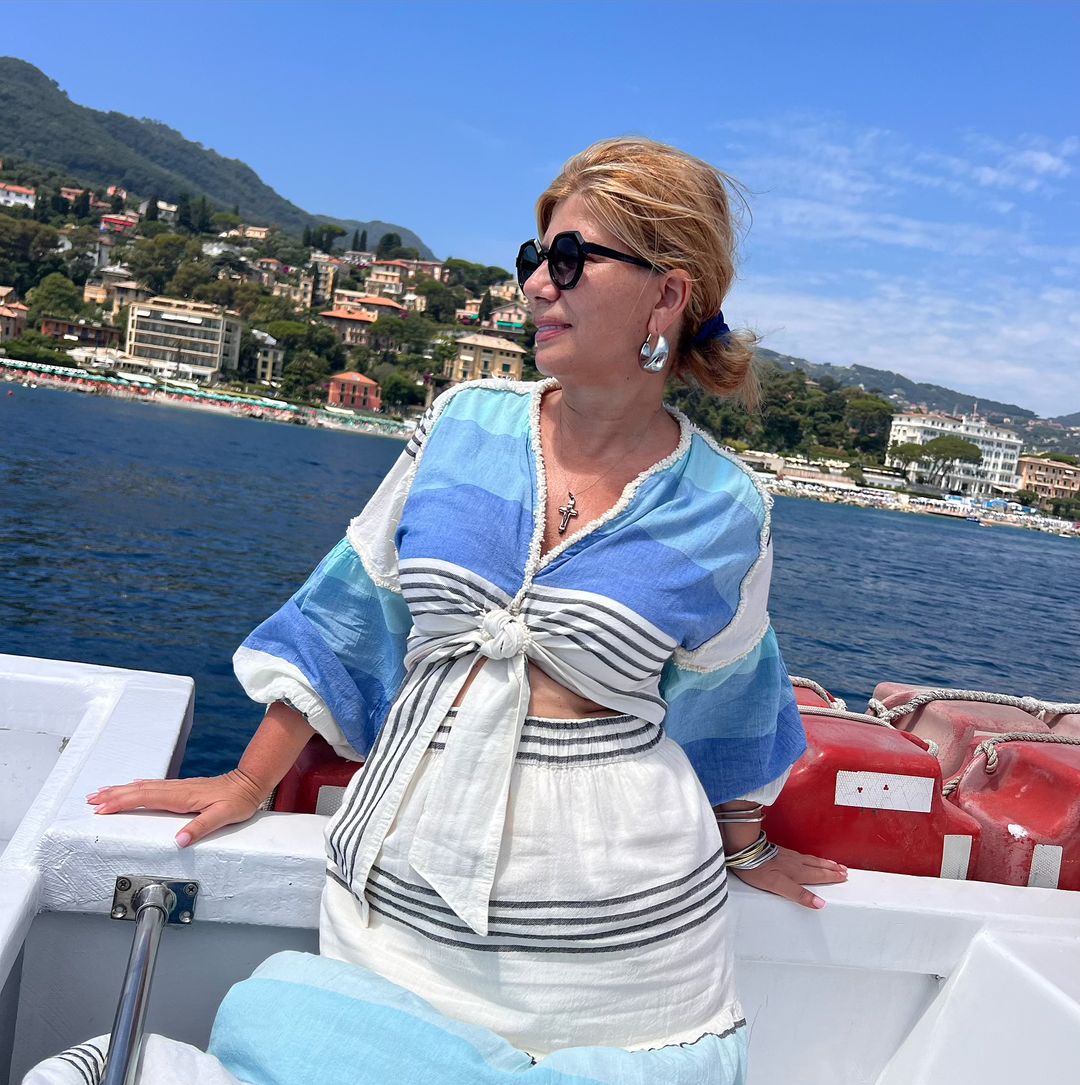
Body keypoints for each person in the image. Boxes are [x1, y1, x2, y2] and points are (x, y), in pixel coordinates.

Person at [88, 137, 846, 1081]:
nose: (535, 285)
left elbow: (729, 703)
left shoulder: (729, 507)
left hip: (626, 963)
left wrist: (749, 846)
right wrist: (248, 780)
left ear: (667, 293)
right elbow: (353, 611)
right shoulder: (461, 423)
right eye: (534, 258)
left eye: (569, 258)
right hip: (396, 927)